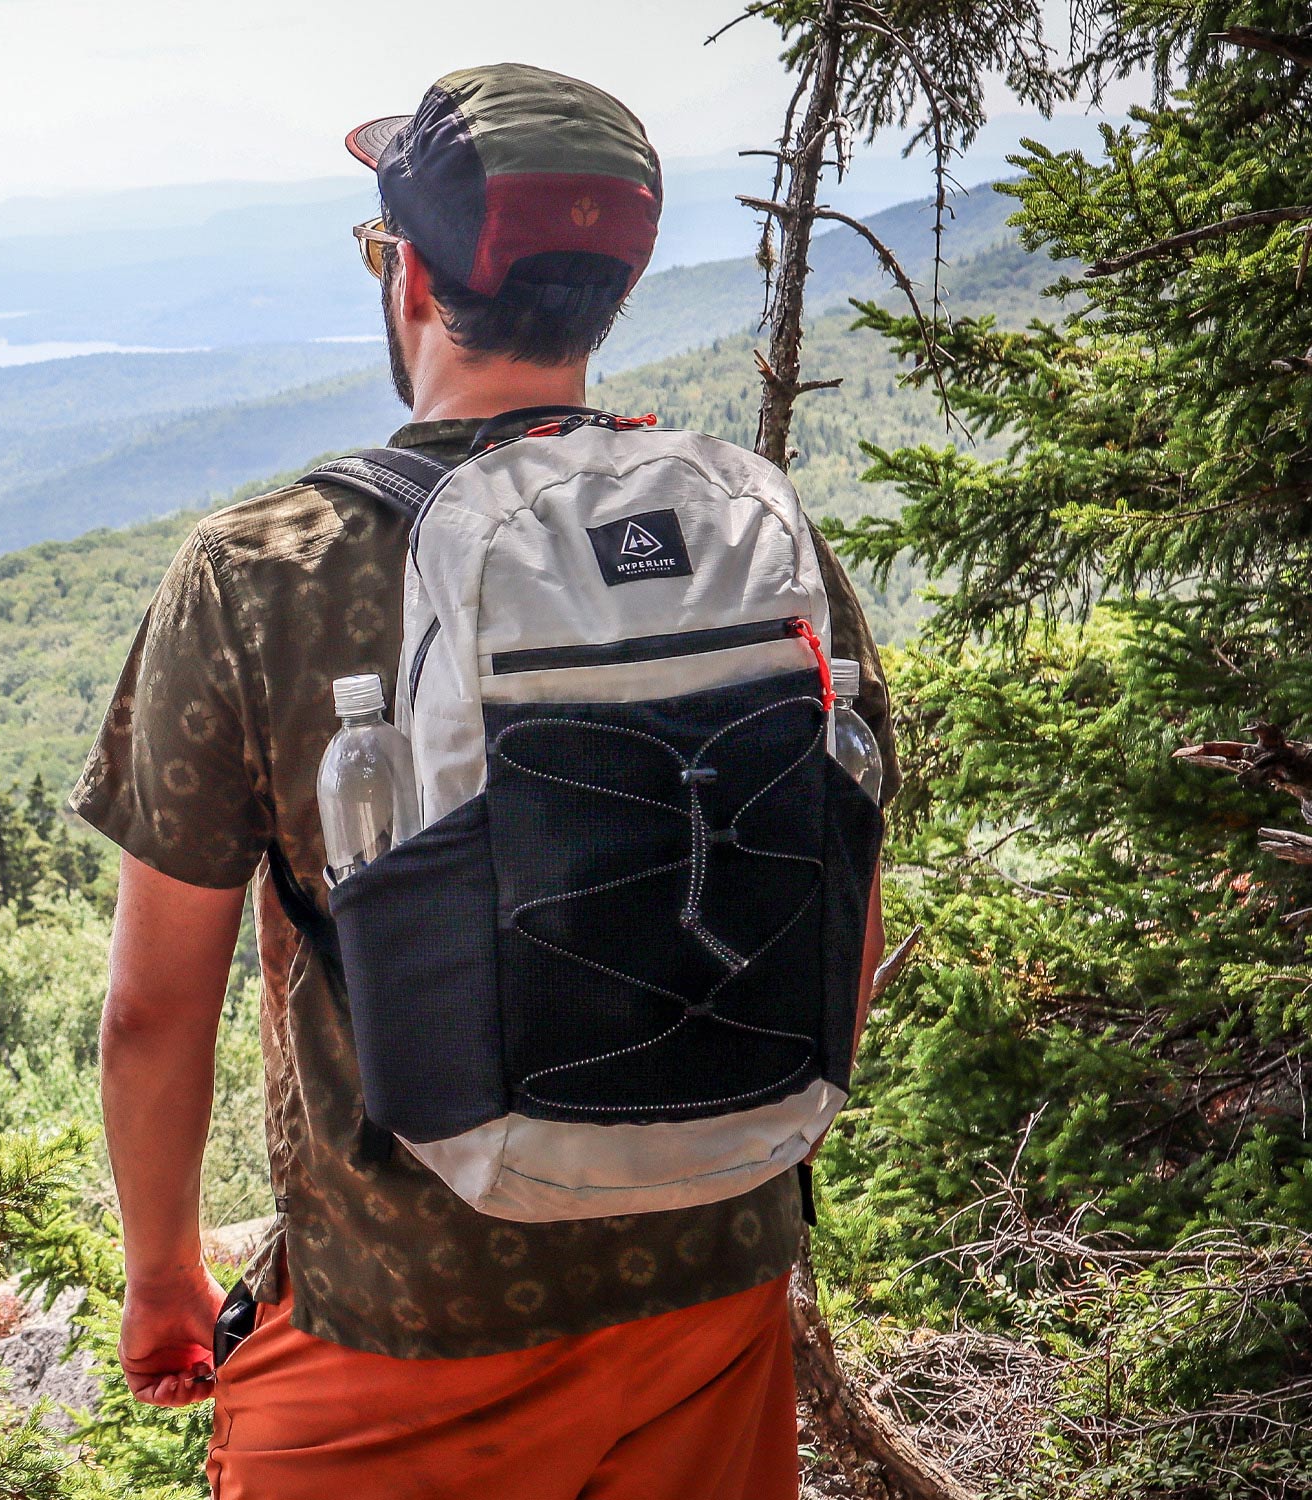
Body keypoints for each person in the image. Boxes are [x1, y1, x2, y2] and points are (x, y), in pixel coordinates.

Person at [69, 63, 894, 1499]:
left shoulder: (264, 573)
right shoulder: (759, 537)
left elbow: (153, 1010)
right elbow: (846, 911)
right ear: (610, 296)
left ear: (409, 283)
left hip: (405, 1323)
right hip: (714, 1280)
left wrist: (162, 1278)